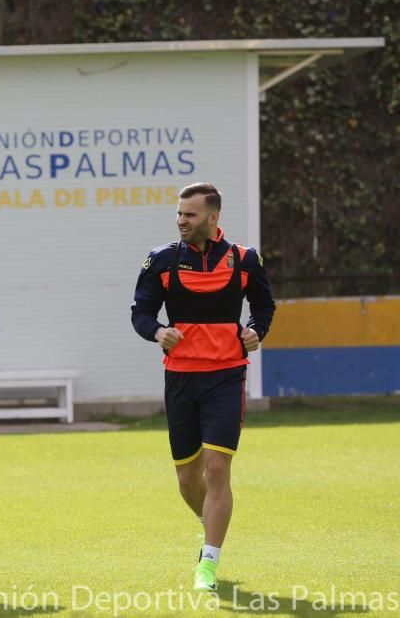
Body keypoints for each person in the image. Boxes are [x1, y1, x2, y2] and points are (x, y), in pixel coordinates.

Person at [130, 182, 275, 592]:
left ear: (213, 218)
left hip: (227, 375)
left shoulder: (245, 260)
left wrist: (255, 330)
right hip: (180, 378)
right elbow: (140, 312)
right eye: (179, 213)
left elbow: (264, 306)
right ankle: (207, 521)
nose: (181, 221)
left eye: (190, 215)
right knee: (188, 480)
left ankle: (207, 566)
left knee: (216, 469)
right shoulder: (160, 260)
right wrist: (159, 332)